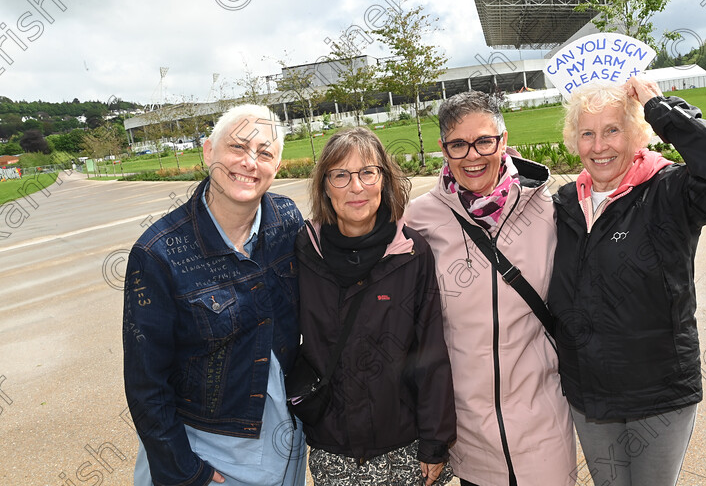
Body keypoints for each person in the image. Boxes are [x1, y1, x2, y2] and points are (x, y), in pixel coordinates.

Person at [548, 77, 706, 485]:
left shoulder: (669, 192)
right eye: (587, 133)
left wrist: (661, 107)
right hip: (590, 392)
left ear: (637, 133)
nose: (599, 146)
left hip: (658, 392)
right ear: (575, 141)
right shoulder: (565, 204)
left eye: (613, 130)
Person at [123, 104, 307, 486]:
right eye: (237, 147)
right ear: (208, 151)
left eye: (265, 152)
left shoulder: (287, 220)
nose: (250, 162)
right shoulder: (158, 254)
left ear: (279, 165)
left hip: (285, 442)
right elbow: (146, 385)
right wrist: (187, 472)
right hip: (208, 454)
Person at [408, 91, 577, 486]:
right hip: (469, 433)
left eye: (484, 141)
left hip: (543, 422)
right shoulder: (419, 218)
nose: (472, 156)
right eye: (458, 144)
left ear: (504, 140)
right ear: (443, 150)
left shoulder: (549, 209)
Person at [295, 127, 456, 486]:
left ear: (383, 180)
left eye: (368, 172)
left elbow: (430, 351)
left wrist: (435, 441)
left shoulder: (412, 253)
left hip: (405, 445)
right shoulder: (304, 252)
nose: (356, 187)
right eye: (341, 175)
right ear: (324, 185)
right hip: (333, 447)